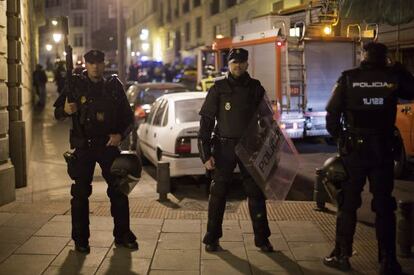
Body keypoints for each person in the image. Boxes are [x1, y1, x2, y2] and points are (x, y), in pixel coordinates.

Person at [323, 42, 414, 275]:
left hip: (355, 150)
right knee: (384, 207)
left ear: (363, 55)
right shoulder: (393, 78)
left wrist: (340, 140)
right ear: (385, 58)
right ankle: (388, 262)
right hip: (383, 151)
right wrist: (400, 69)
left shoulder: (349, 78)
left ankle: (342, 255)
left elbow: (331, 112)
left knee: (348, 205)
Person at [53, 49, 137, 254]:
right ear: (85, 64)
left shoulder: (113, 87)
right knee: (80, 194)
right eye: (91, 63)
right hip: (84, 146)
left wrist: (120, 136)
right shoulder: (75, 85)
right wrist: (65, 110)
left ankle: (122, 234)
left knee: (119, 190)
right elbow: (57, 113)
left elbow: (128, 118)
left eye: (99, 62)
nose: (95, 66)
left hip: (108, 146)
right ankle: (80, 239)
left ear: (104, 64)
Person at [198, 48, 273, 252]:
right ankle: (212, 238)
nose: (237, 65)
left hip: (250, 147)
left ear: (247, 64)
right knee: (218, 194)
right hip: (224, 148)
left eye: (241, 62)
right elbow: (206, 122)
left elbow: (267, 119)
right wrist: (205, 154)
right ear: (228, 65)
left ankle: (262, 239)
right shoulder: (219, 88)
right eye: (234, 62)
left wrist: (267, 148)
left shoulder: (255, 87)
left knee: (256, 194)